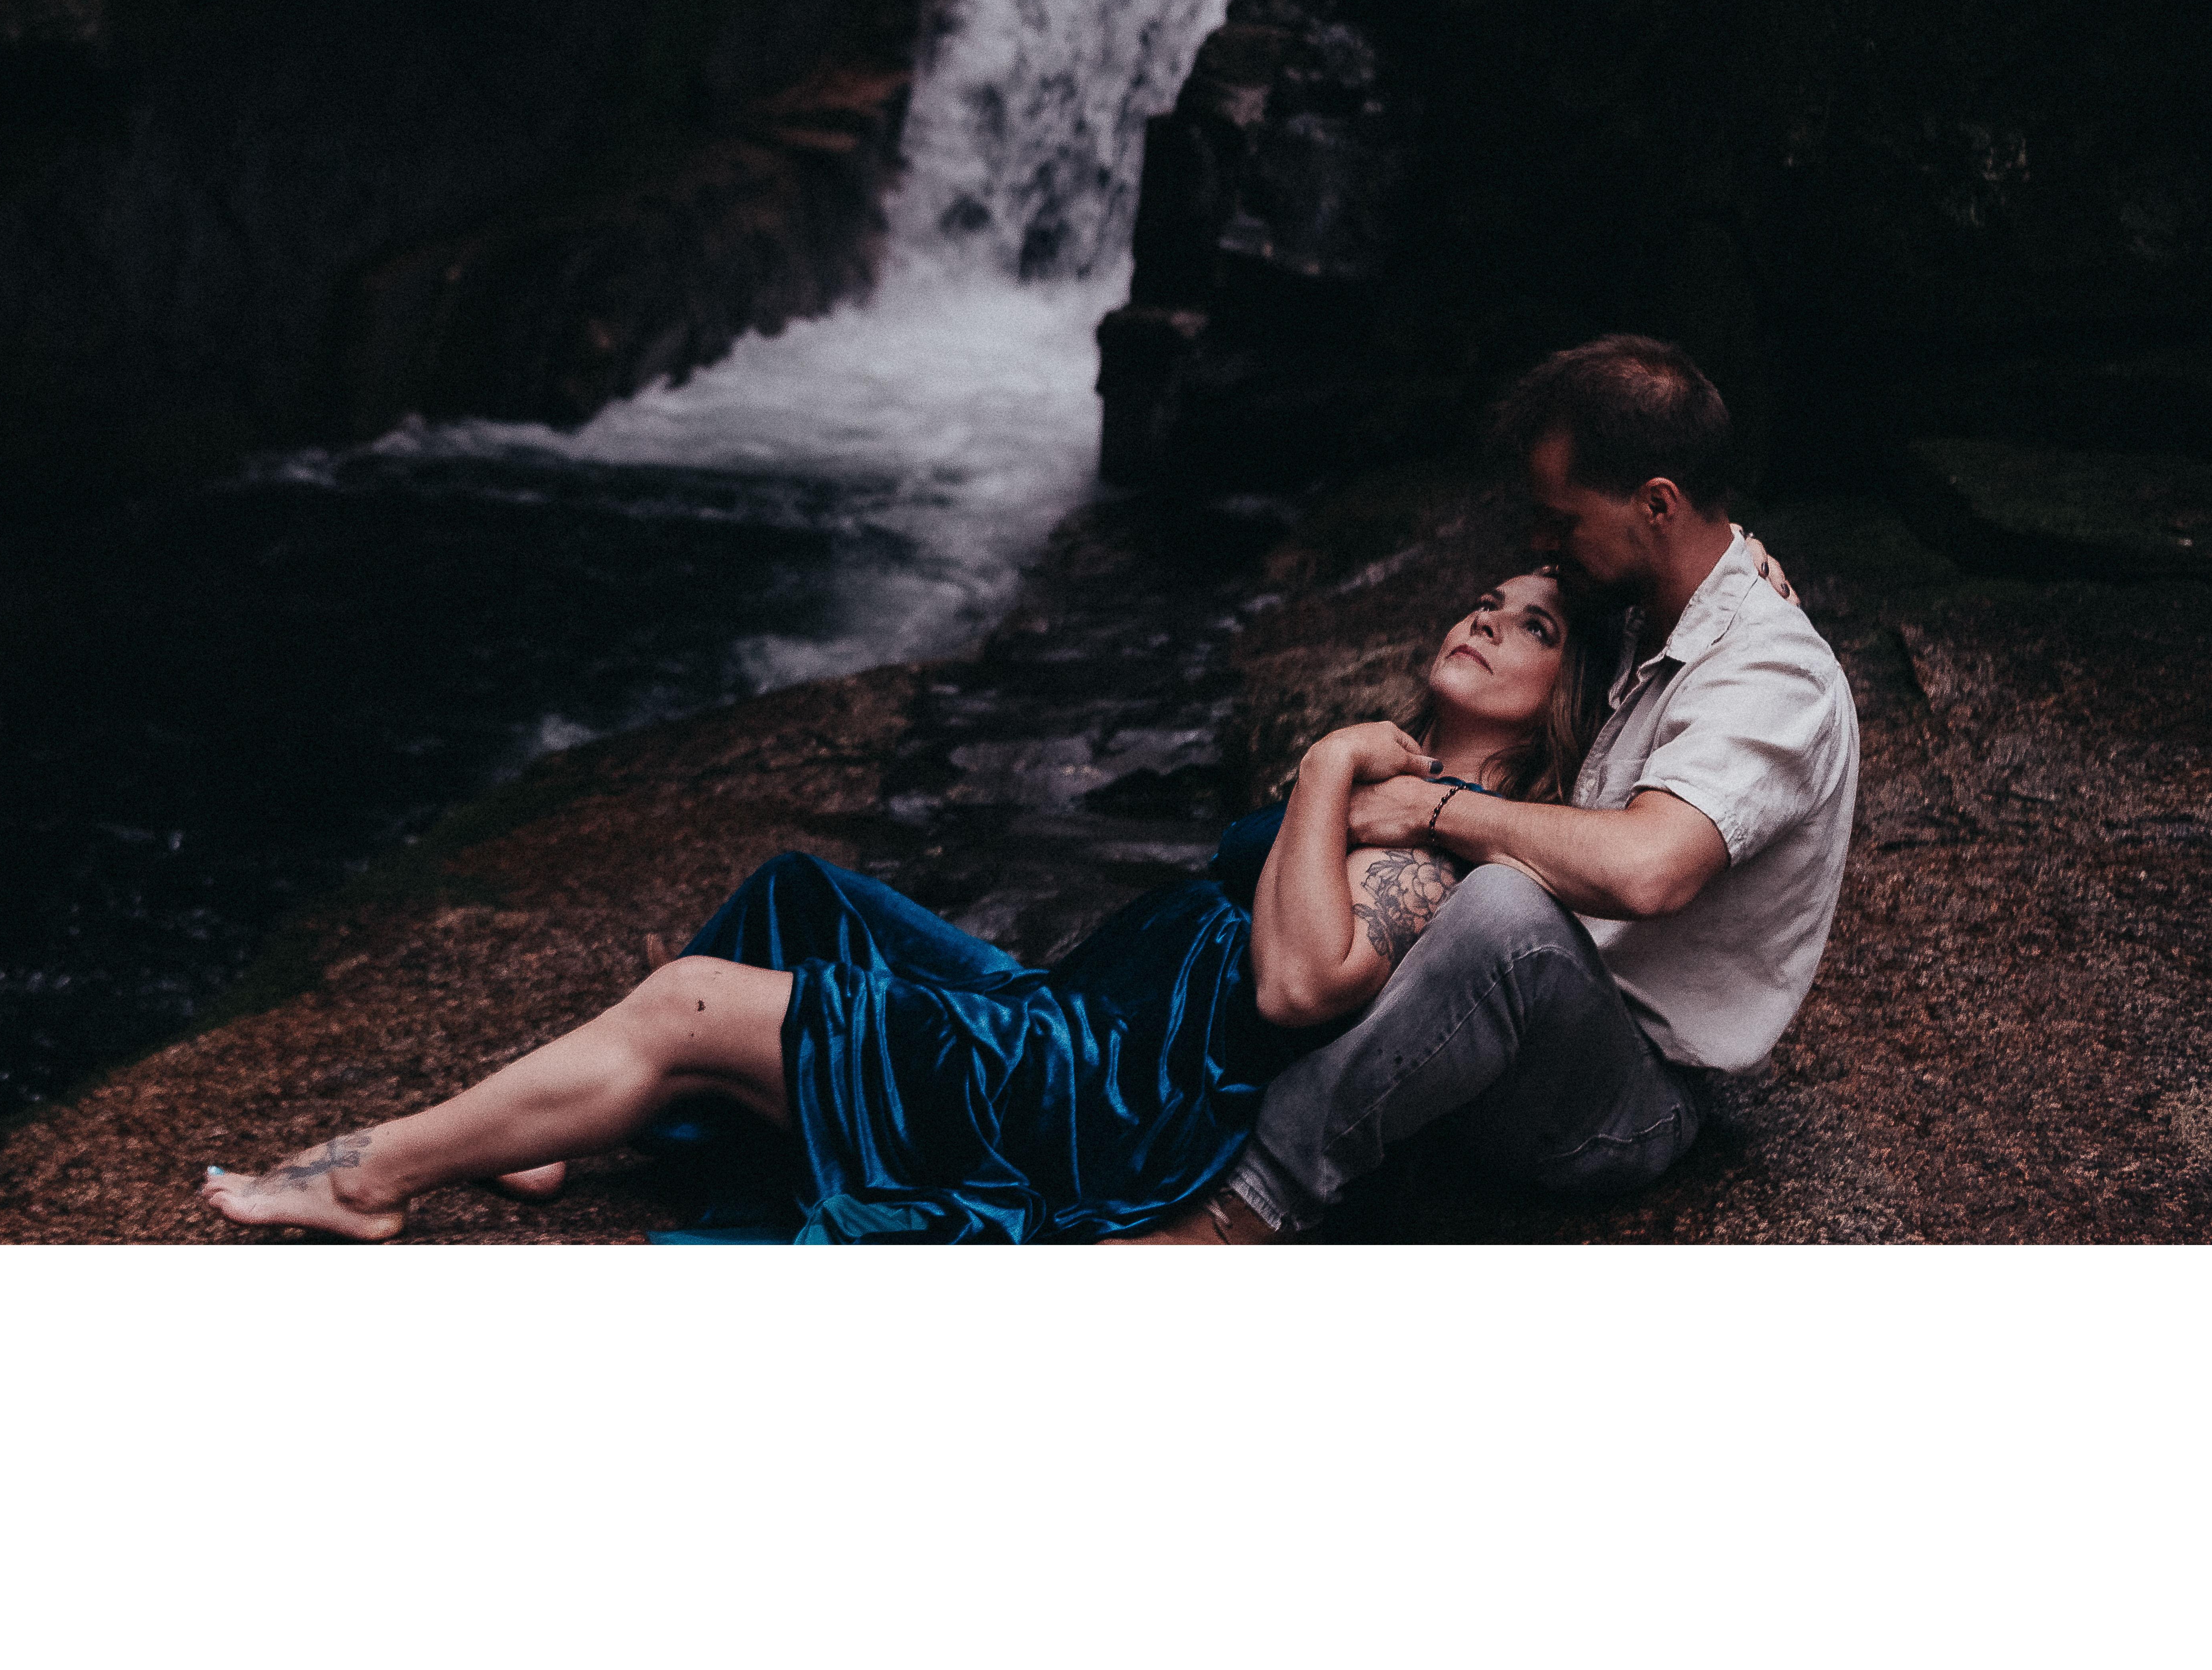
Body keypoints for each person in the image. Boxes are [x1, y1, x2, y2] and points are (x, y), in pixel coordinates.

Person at [197, 564, 1616, 1244]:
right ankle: (570, 1128)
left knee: (697, 999)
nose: (1488, 616)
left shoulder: (1436, 848)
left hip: (1093, 1094)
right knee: (800, 895)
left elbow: (1301, 986)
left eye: (1534, 625)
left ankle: (369, 1179)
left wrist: (1319, 765)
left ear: (1564, 707)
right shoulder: (1401, 778)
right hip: (1066, 1014)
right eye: (1488, 597)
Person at [1117, 331, 1859, 1244]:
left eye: (1561, 519)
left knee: (1504, 910)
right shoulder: (1644, 602)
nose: (1540, 542)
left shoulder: (1772, 672)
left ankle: (1247, 1206)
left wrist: (1434, 808)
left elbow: (1649, 870)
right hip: (1485, 1021)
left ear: (1657, 504)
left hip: (1624, 1097)